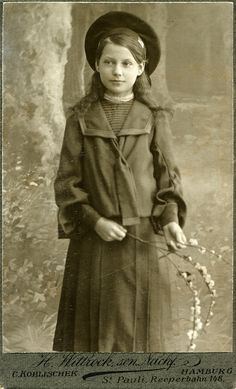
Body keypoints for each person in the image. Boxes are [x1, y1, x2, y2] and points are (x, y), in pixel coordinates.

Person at [53, 11, 187, 352]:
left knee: (137, 332)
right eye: (109, 62)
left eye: (127, 63)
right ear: (96, 66)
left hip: (141, 237)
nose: (117, 71)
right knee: (90, 334)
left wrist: (170, 220)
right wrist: (94, 221)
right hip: (94, 240)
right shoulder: (80, 119)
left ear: (141, 68)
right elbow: (67, 182)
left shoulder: (154, 117)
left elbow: (167, 178)